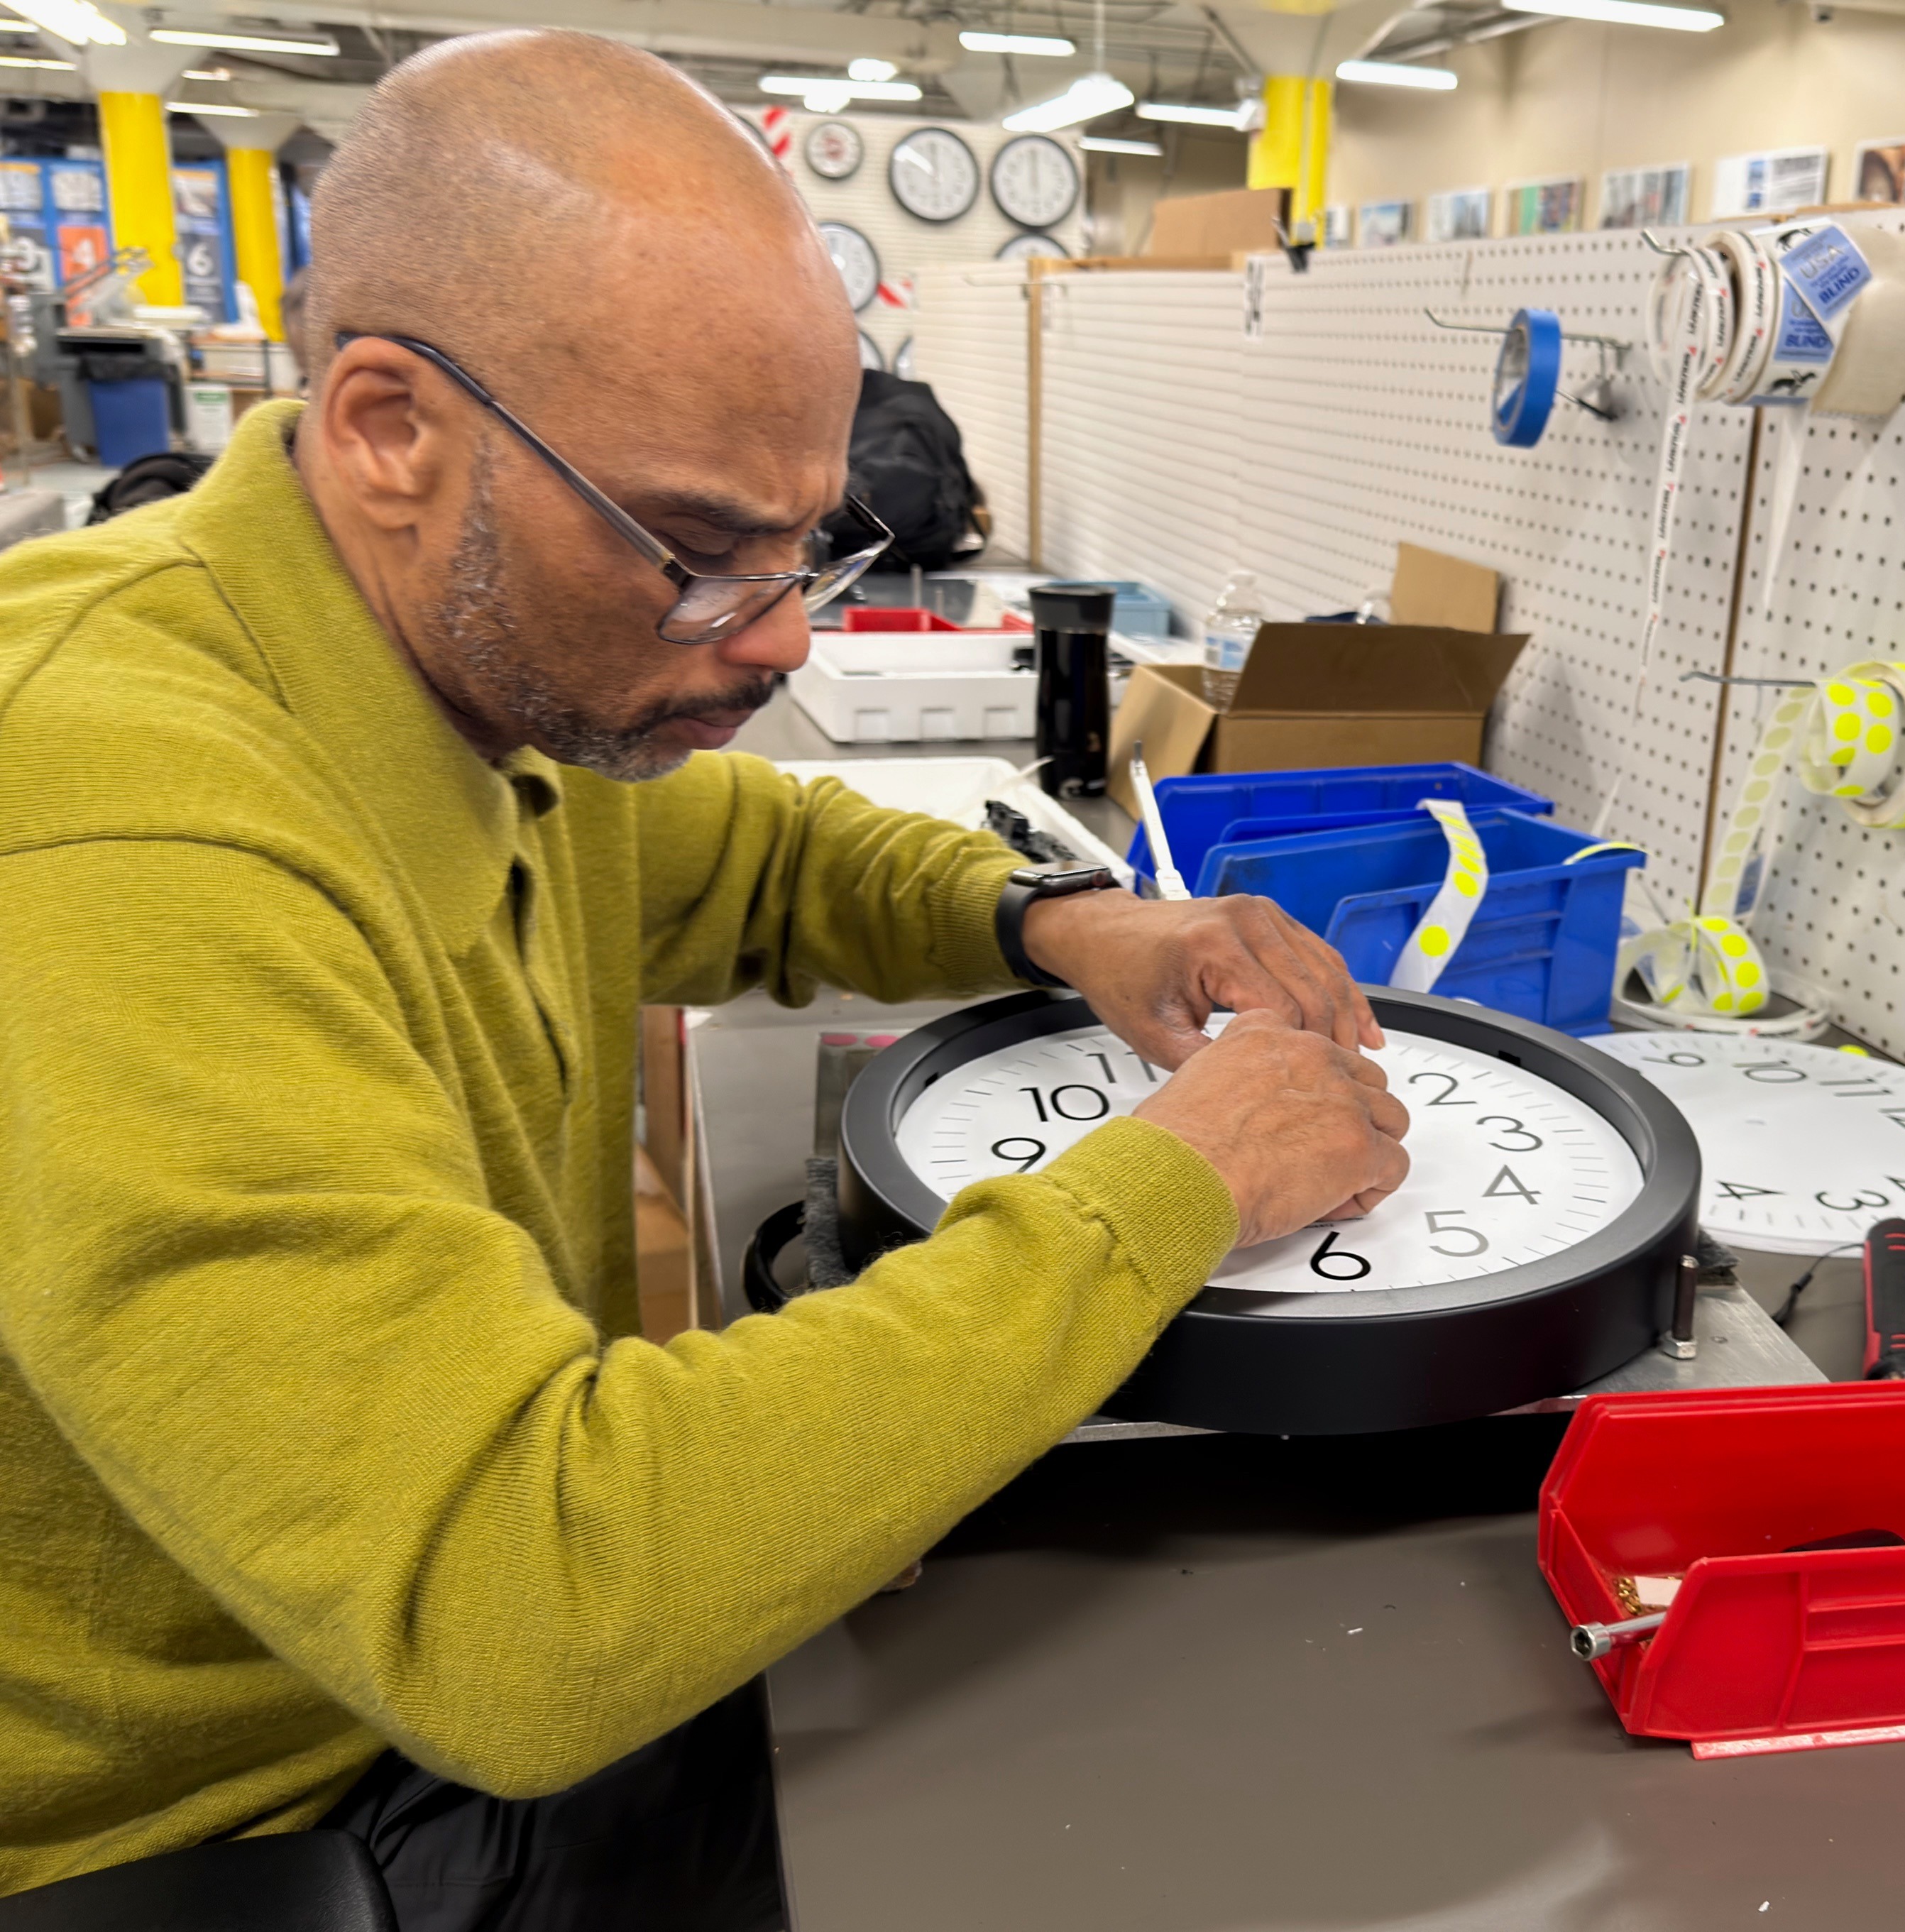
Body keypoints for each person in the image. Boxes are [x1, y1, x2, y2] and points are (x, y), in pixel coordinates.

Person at [0, 30, 1410, 1930]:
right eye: (696, 551)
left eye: (802, 552)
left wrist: (1062, 919)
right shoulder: (119, 818)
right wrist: (1174, 1181)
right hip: (246, 1822)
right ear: (388, 429)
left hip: (394, 1685)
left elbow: (746, 850)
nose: (765, 642)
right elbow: (517, 1598)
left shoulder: (452, 668)